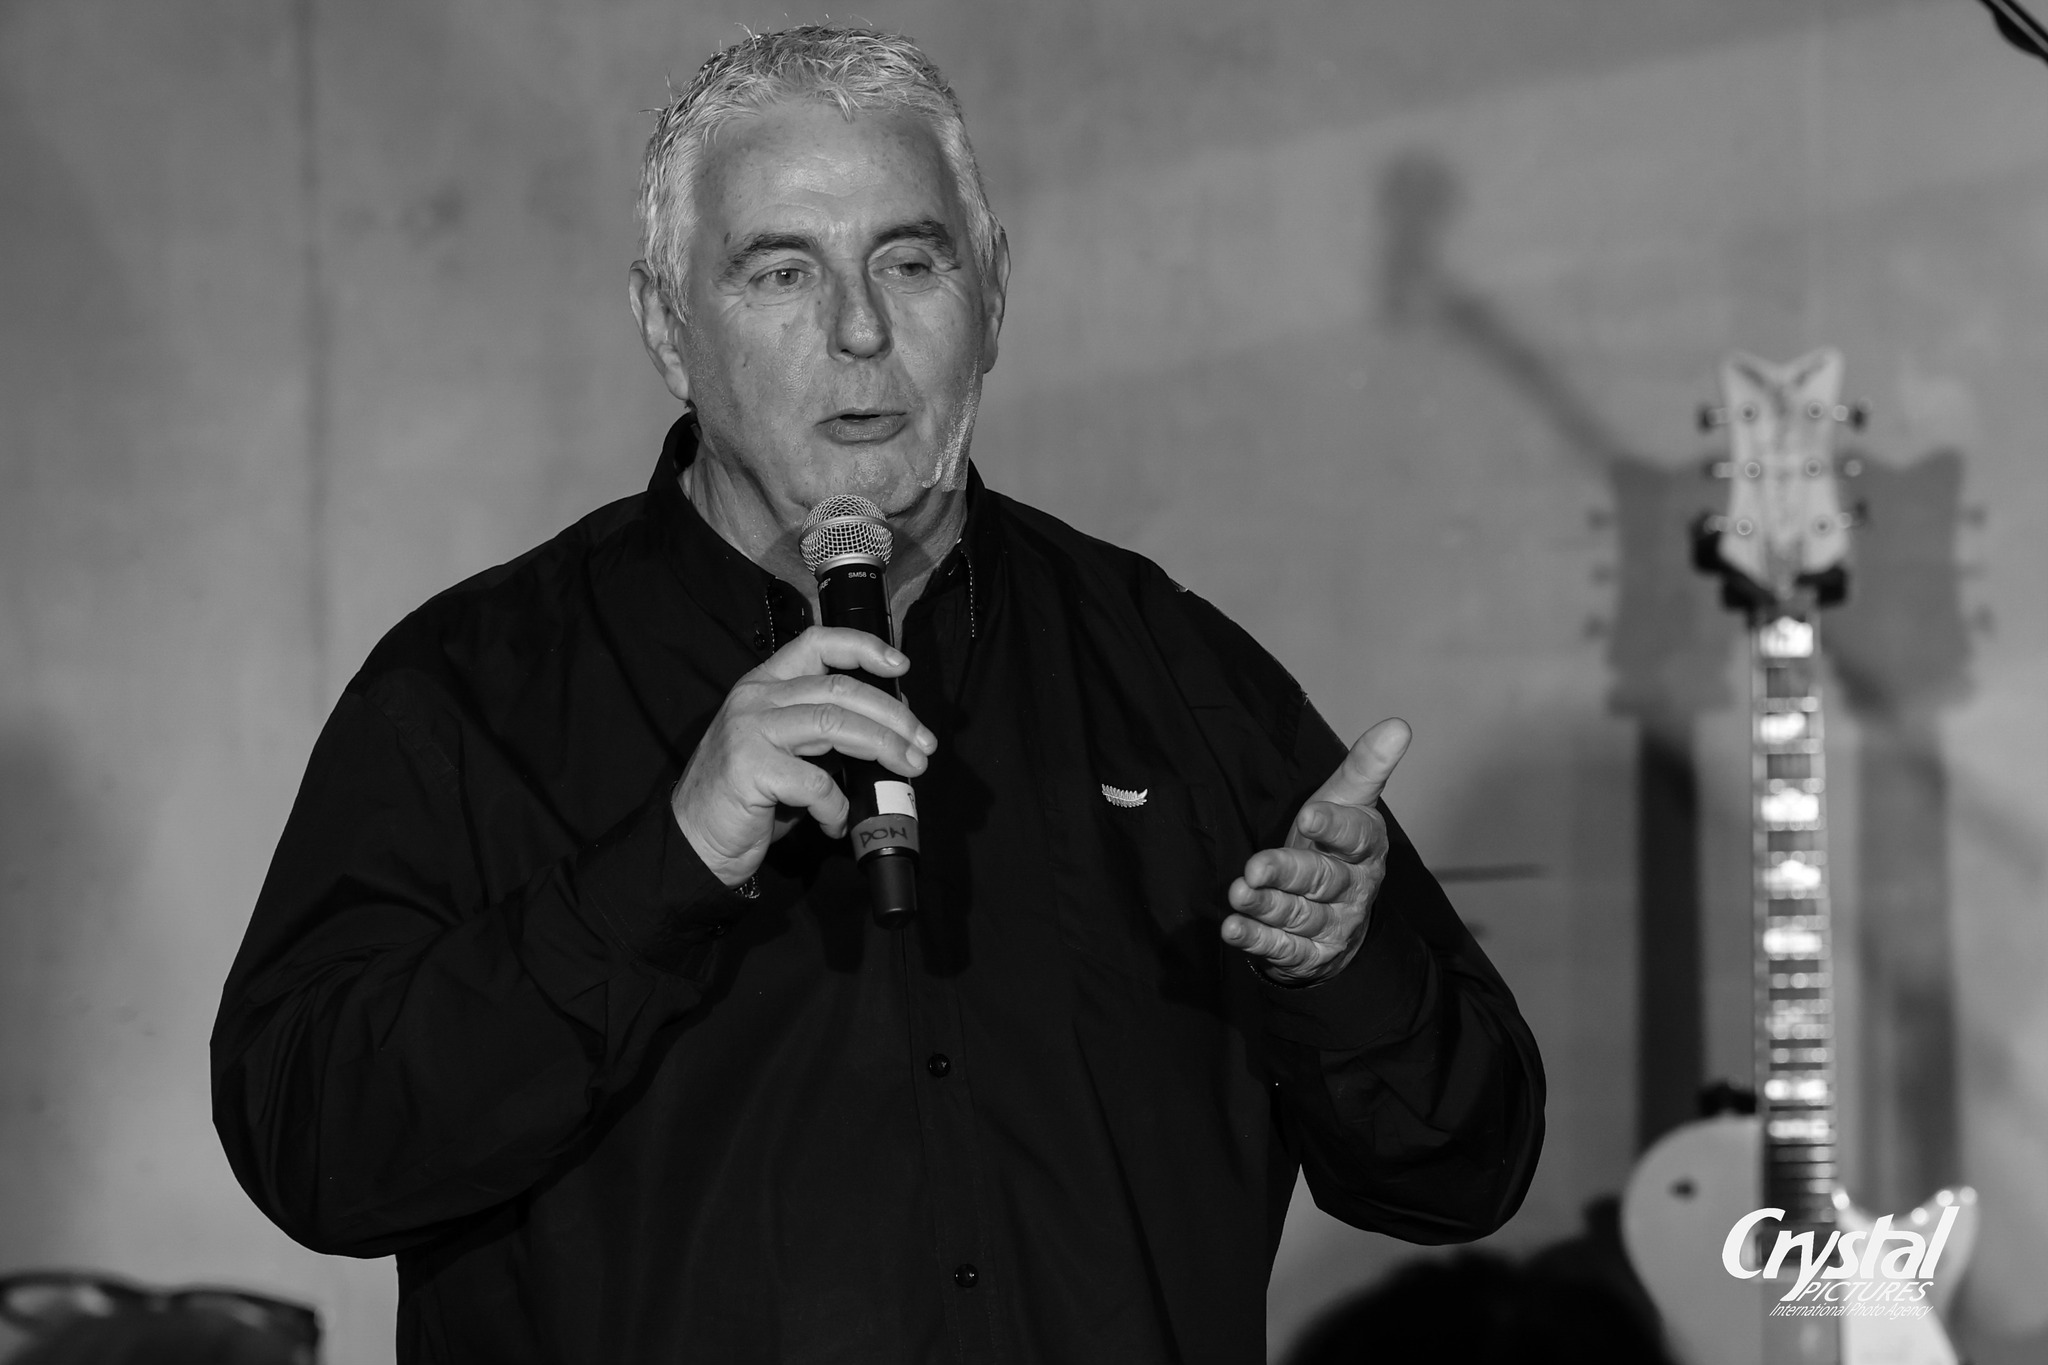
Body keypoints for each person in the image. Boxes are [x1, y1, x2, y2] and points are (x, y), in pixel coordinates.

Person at [210, 26, 1543, 1364]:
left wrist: (1344, 973)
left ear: (994, 294)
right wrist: (665, 865)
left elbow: (1463, 1172)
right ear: (668, 327)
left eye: (912, 262)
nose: (860, 331)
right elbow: (316, 1152)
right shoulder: (474, 692)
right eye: (780, 272)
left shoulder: (1175, 673)